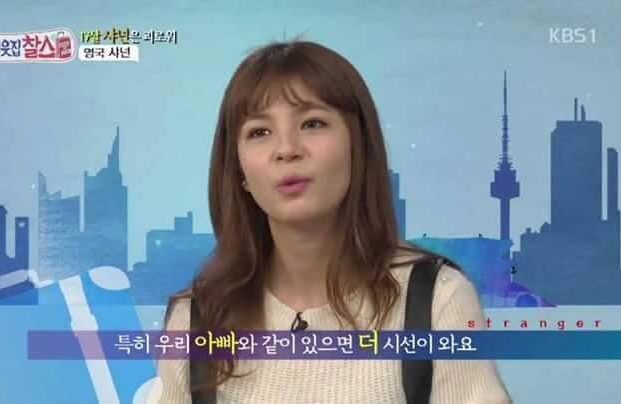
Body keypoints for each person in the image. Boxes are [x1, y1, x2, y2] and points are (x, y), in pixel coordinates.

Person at [151, 39, 512, 403]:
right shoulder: (197, 319)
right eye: (259, 132)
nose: (286, 150)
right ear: (240, 170)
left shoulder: (436, 300)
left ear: (358, 148)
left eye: (312, 123)